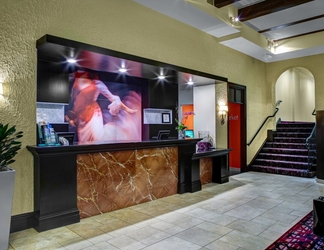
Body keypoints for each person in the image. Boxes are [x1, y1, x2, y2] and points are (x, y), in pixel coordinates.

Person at [65, 69, 140, 142]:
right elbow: (74, 97)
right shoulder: (79, 80)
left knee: (97, 137)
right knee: (84, 140)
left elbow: (113, 98)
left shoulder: (98, 84)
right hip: (81, 115)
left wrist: (128, 109)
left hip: (93, 113)